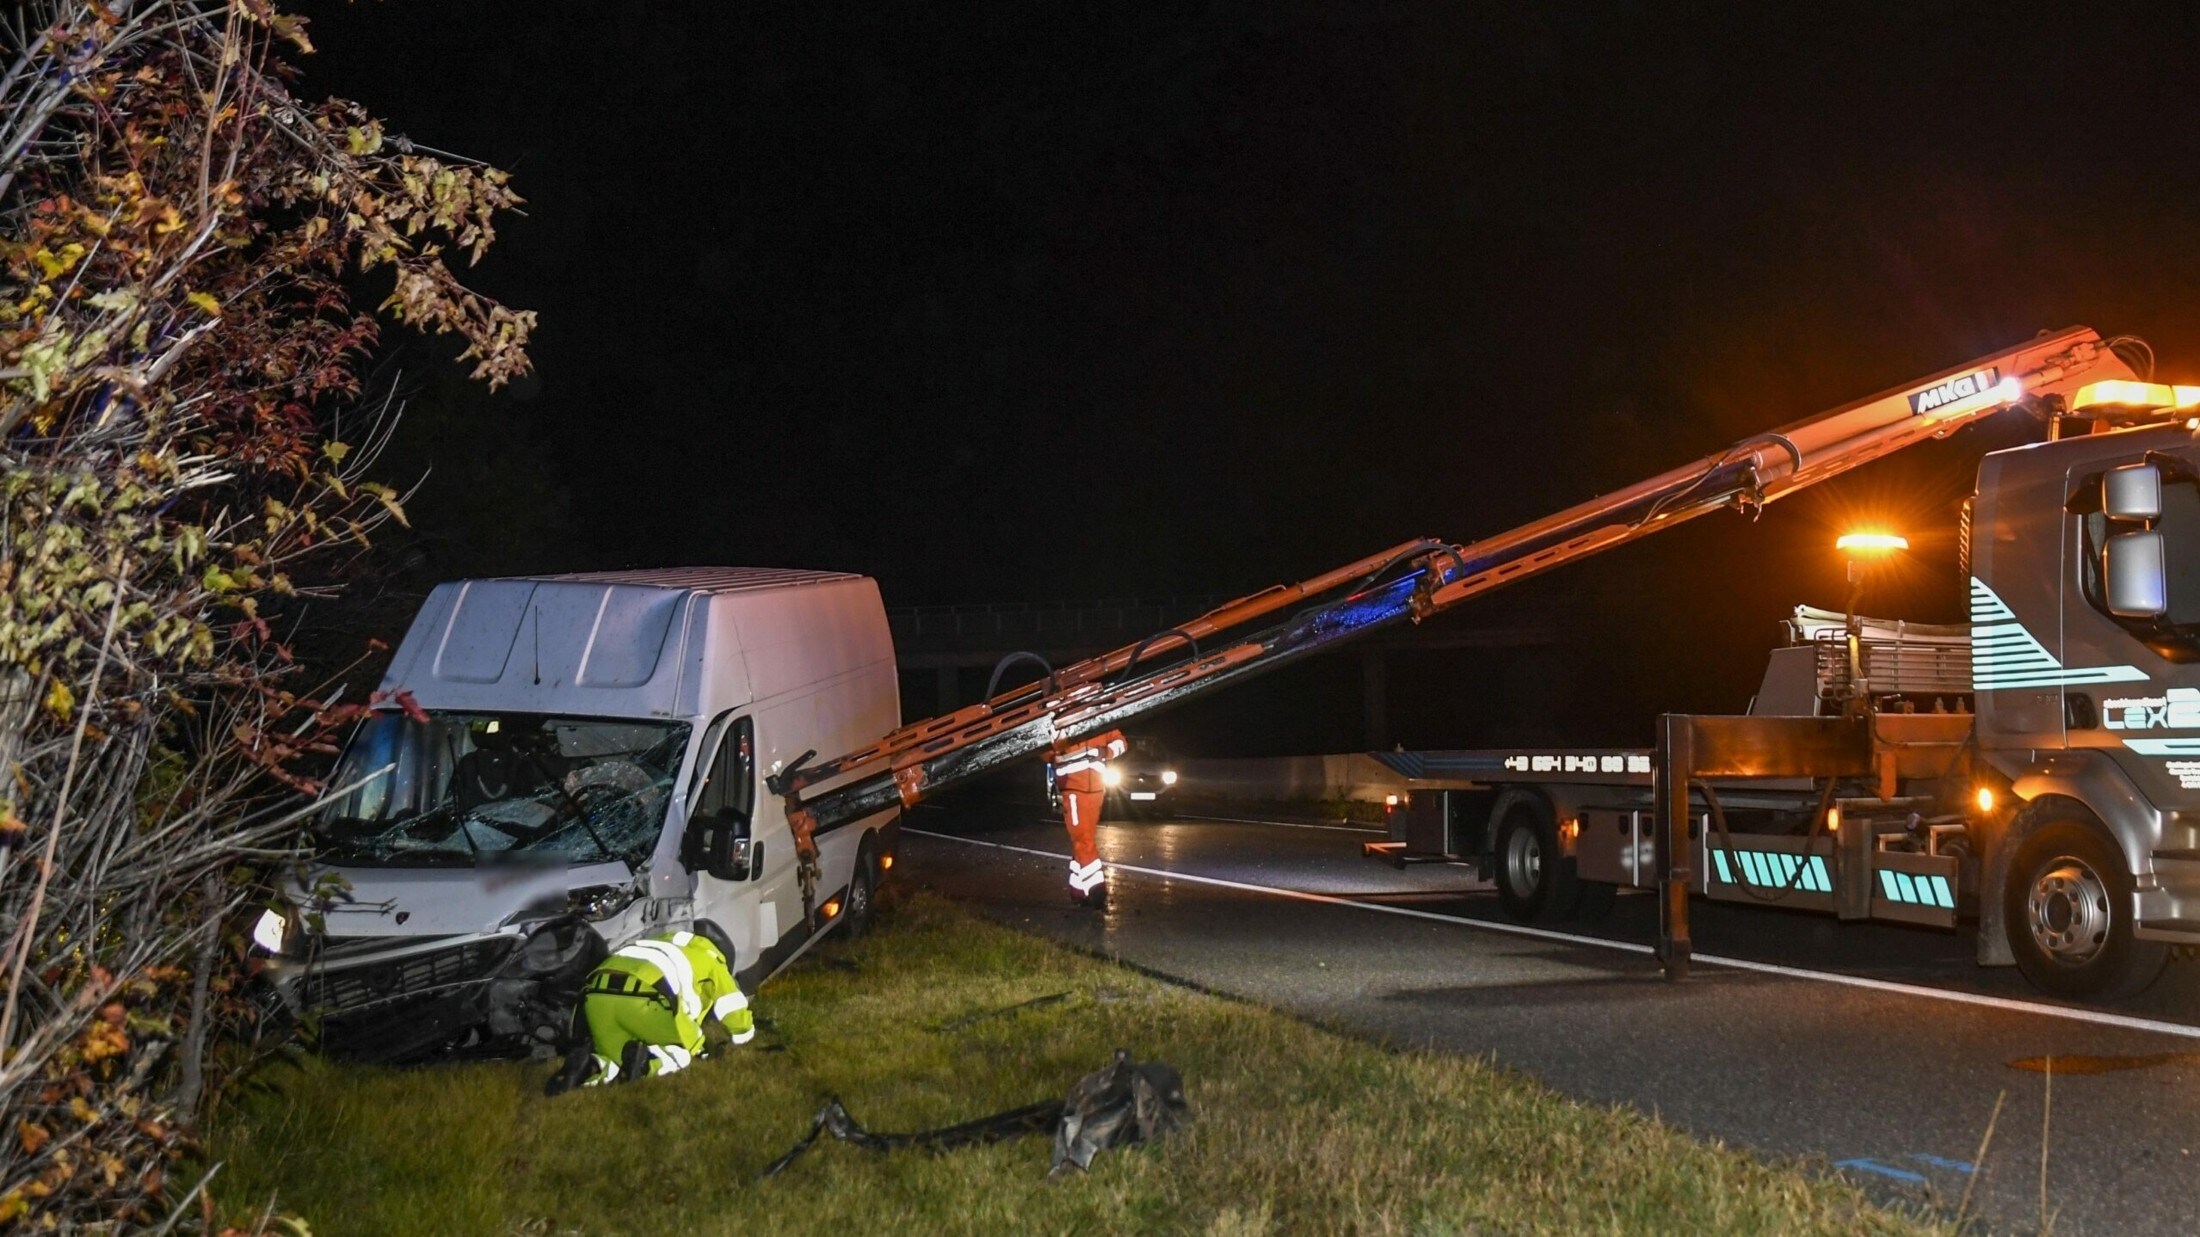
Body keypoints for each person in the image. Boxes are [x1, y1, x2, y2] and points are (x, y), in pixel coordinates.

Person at [544, 929, 754, 1094]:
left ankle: (593, 1066)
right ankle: (648, 1063)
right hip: (646, 995)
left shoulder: (657, 943)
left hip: (597, 994)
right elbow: (732, 1005)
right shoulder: (710, 958)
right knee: (685, 1052)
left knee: (614, 1057)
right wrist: (744, 1036)